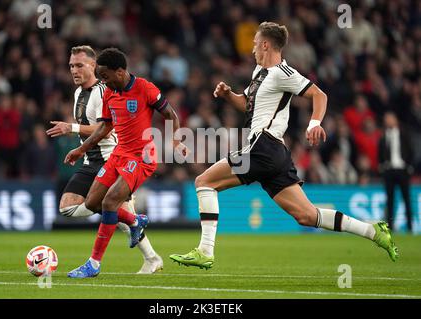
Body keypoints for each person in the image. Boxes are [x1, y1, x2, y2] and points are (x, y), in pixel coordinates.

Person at [170, 22, 398, 269]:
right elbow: (246, 104)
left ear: (266, 44)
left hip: (263, 146)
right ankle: (373, 231)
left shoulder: (283, 72)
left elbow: (319, 95)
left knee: (204, 182)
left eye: (256, 43)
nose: (253, 48)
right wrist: (228, 95)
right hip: (273, 154)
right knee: (307, 215)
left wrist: (313, 124)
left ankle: (205, 251)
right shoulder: (258, 72)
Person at [64, 48, 188, 278]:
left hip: (142, 157)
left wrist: (176, 140)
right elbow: (104, 127)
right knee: (92, 204)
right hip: (119, 154)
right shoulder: (110, 93)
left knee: (111, 202)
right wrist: (81, 149)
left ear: (120, 72)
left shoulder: (145, 88)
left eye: (105, 76)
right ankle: (135, 220)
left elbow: (171, 114)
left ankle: (93, 264)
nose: (103, 81)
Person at [46, 46, 163, 274]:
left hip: (113, 157)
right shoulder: (78, 93)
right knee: (68, 207)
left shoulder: (104, 91)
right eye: (71, 65)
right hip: (91, 161)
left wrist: (71, 128)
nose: (74, 70)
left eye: (79, 65)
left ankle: (150, 257)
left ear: (93, 66)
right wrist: (81, 149)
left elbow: (107, 130)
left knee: (114, 212)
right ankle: (135, 223)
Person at [378, 111, 414, 233]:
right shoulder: (383, 136)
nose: (387, 121)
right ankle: (390, 227)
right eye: (386, 119)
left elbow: (411, 151)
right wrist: (383, 166)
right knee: (390, 200)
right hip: (389, 171)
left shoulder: (404, 134)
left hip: (403, 170)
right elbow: (380, 153)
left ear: (396, 120)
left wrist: (409, 166)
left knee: (406, 199)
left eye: (390, 118)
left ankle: (410, 227)